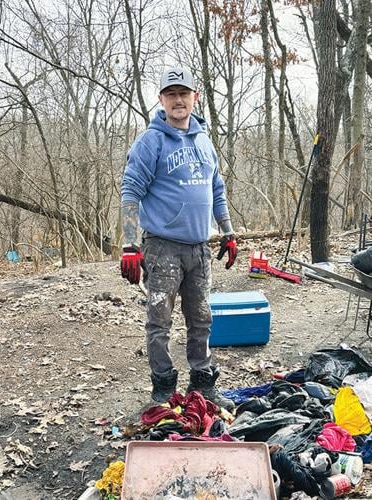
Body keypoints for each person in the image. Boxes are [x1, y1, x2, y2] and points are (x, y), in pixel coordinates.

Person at [120, 67, 237, 411]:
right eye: (171, 94)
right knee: (160, 319)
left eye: (183, 93)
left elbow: (217, 188)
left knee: (201, 318)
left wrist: (227, 231)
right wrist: (130, 244)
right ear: (161, 100)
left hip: (199, 248)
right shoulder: (150, 141)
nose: (178, 100)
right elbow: (130, 192)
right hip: (162, 248)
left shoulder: (204, 141)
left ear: (194, 97)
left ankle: (202, 382)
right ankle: (163, 387)